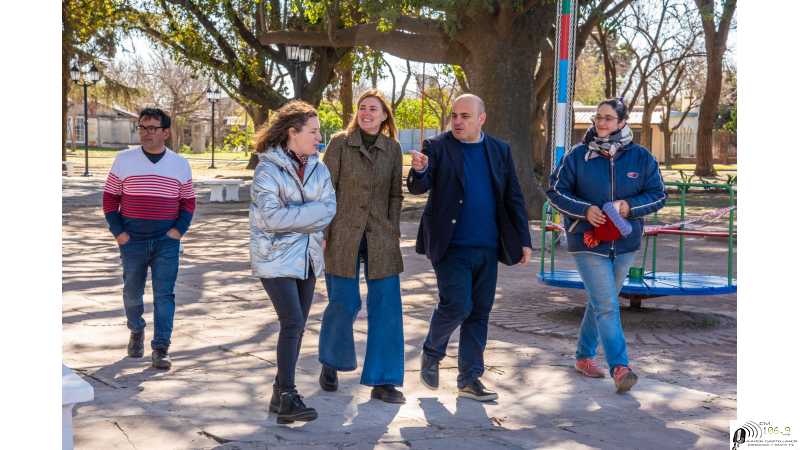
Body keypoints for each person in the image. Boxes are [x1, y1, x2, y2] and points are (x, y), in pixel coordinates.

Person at [407, 94, 533, 402]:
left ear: (481, 119)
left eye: (465, 116)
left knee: (479, 312)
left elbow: (513, 197)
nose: (458, 121)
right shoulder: (436, 147)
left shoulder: (499, 150)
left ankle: (470, 378)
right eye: (454, 116)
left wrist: (524, 240)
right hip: (450, 245)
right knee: (458, 305)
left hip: (487, 247)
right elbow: (417, 187)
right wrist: (420, 170)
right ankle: (432, 352)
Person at [546, 97, 666, 393]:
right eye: (598, 117)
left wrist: (629, 206)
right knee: (608, 306)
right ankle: (620, 367)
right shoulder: (576, 156)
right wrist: (585, 210)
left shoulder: (642, 158)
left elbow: (659, 195)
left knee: (601, 302)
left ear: (623, 122)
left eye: (608, 118)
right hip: (587, 241)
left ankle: (584, 357)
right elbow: (555, 191)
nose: (601, 123)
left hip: (625, 243)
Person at [317, 90, 407, 404]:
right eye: (363, 108)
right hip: (342, 234)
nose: (367, 113)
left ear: (385, 116)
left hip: (381, 237)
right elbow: (325, 191)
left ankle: (384, 381)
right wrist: (324, 231)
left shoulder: (393, 148)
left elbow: (396, 194)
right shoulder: (341, 143)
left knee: (387, 307)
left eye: (374, 109)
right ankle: (331, 361)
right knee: (344, 301)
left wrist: (392, 227)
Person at [250, 101, 336, 424]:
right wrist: (311, 216)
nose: (319, 137)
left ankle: (279, 394)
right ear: (293, 133)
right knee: (293, 322)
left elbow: (329, 209)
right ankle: (287, 394)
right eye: (313, 131)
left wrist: (298, 216)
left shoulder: (319, 168)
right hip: (273, 258)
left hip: (308, 259)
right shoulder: (267, 169)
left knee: (297, 328)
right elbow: (271, 217)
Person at [102, 108, 195, 370]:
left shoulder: (180, 164)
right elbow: (110, 198)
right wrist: (119, 233)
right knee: (132, 293)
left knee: (165, 295)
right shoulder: (124, 160)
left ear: (166, 132)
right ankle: (136, 329)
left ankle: (161, 348)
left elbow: (188, 202)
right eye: (142, 127)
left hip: (167, 241)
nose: (146, 132)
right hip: (132, 241)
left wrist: (178, 231)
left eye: (152, 128)